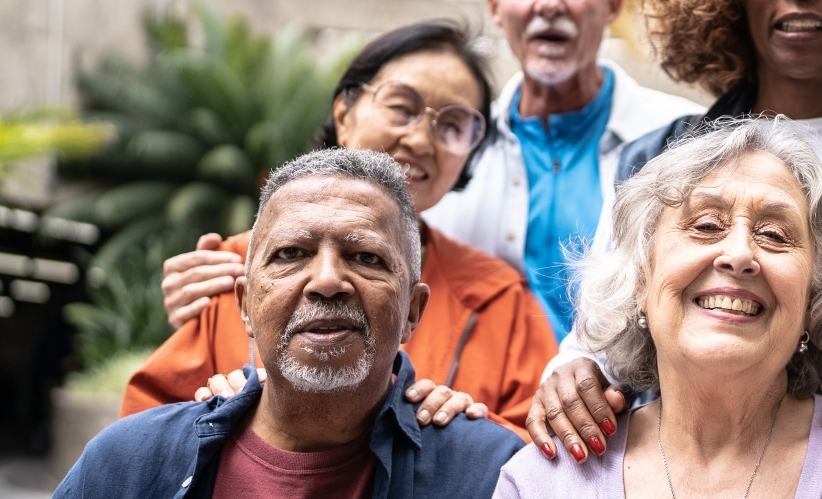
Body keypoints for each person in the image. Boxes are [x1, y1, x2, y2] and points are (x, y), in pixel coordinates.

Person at [528, 0, 822, 486]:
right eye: (706, 225)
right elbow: (598, 343)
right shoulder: (653, 158)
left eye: (774, 235)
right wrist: (571, 376)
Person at [123, 21, 559, 440]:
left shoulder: (499, 298)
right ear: (344, 113)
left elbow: (541, 450)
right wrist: (212, 419)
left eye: (453, 126)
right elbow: (147, 439)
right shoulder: (235, 270)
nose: (423, 140)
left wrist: (471, 431)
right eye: (401, 108)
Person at [495, 118, 822, 498]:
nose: (739, 255)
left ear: (815, 302)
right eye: (705, 224)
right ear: (640, 280)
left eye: (775, 235)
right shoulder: (544, 480)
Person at [57, 149, 525, 498]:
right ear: (244, 304)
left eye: (365, 257)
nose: (326, 281)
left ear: (413, 312)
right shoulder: (129, 462)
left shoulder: (490, 475)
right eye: (290, 254)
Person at [421, 0, 706, 341]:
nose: (550, 6)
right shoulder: (454, 148)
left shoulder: (692, 140)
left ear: (613, 7)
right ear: (495, 8)